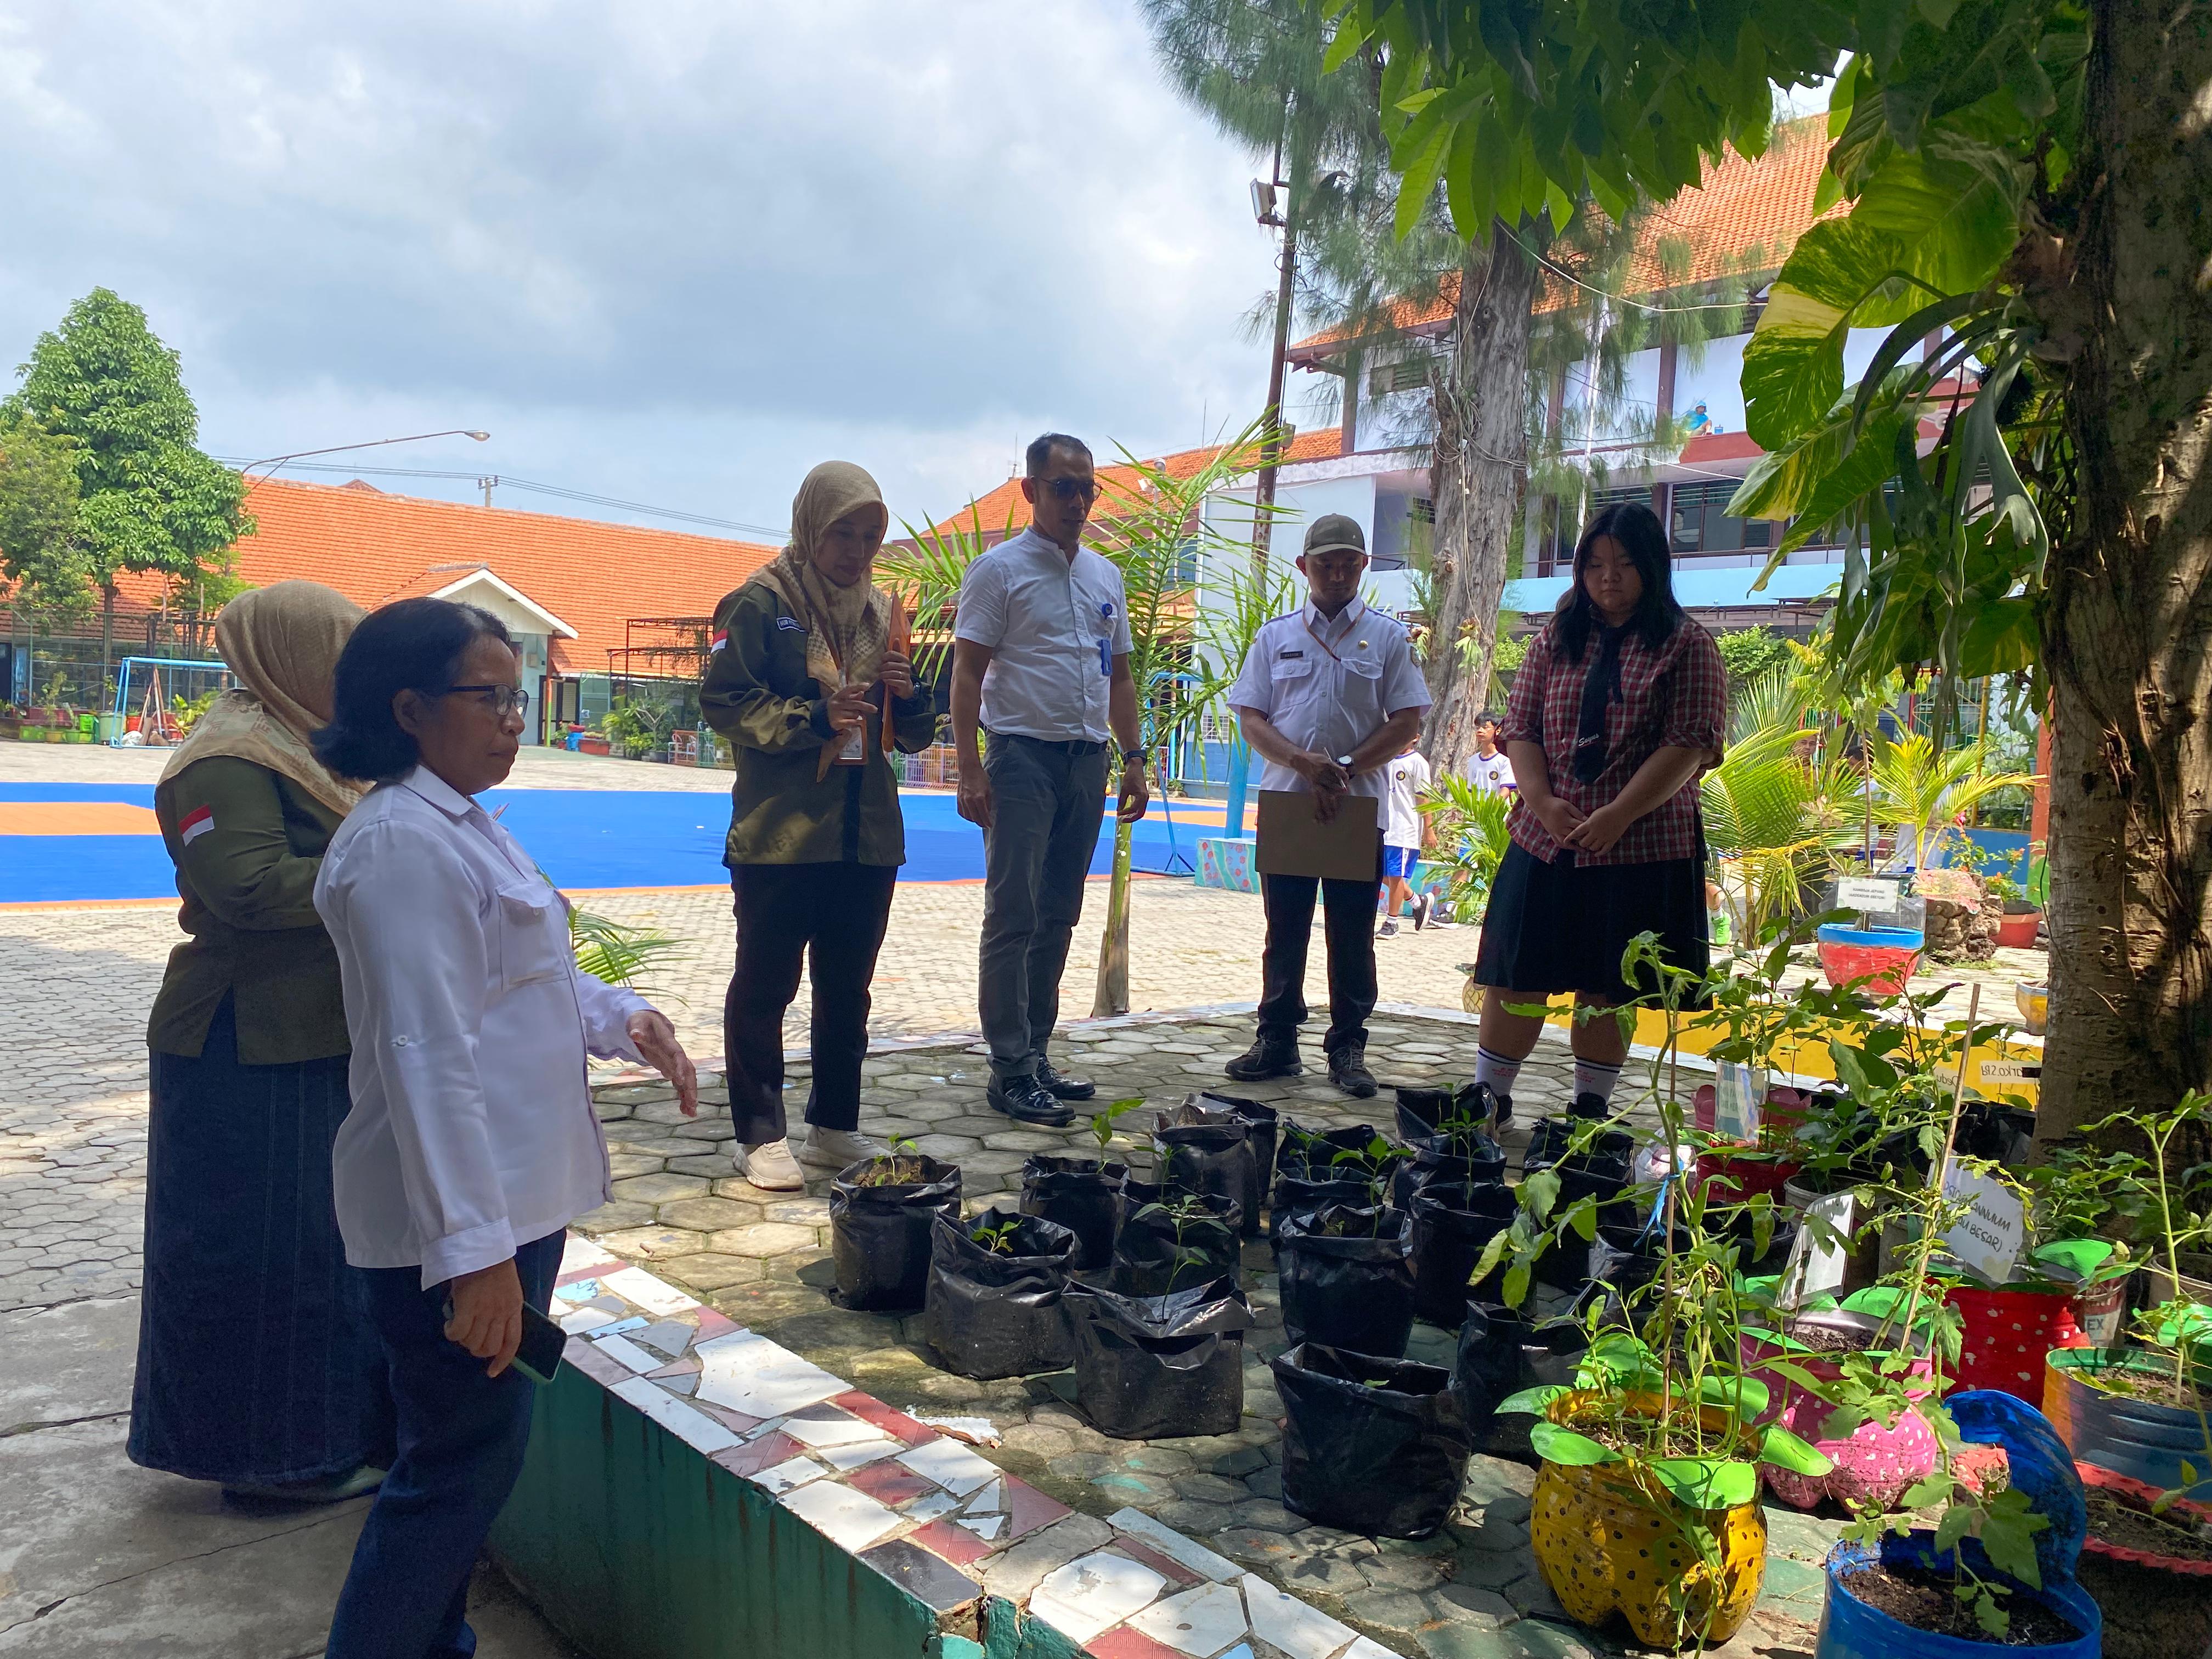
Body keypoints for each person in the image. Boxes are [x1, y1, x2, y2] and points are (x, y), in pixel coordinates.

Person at [309, 597, 697, 1659]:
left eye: (517, 697)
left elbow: (528, 976)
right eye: (490, 697)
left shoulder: (463, 825)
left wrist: (625, 1017)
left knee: (464, 1463)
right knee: (452, 1472)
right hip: (457, 1223)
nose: (514, 718)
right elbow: (426, 1055)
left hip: (511, 1201)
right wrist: (472, 1258)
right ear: (409, 707)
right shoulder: (401, 848)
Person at [129, 580, 392, 1504]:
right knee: (259, 1258)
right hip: (244, 1040)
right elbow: (247, 886)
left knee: (322, 1252)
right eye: (342, 661)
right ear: (290, 656)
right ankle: (272, 1463)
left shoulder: (315, 748)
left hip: (312, 1033)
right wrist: (390, 857)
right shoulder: (224, 760)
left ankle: (323, 1438)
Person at [699, 461, 935, 1190]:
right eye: (843, 534)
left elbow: (914, 736)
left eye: (870, 537)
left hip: (866, 837)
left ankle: (833, 1126)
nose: (856, 552)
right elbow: (724, 702)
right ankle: (759, 1133)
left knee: (848, 990)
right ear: (810, 526)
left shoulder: (883, 613)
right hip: (782, 834)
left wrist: (911, 691)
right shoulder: (760, 603)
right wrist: (813, 718)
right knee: (767, 986)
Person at [1469, 501, 1724, 1125]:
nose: (1609, 578)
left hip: (1640, 847)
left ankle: (1589, 1109)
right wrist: (1542, 800)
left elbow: (1689, 743)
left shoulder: (1688, 647)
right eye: (1596, 565)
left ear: (1653, 569)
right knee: (1516, 972)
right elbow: (1521, 727)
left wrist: (1618, 814)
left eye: (1626, 564)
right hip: (1546, 839)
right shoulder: (1555, 641)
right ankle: (1487, 1101)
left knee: (1608, 985)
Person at [951, 433, 1150, 1126]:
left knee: (1060, 912)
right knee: (1014, 915)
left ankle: (1037, 1054)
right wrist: (971, 766)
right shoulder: (998, 572)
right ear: (1031, 491)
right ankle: (1008, 1068)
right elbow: (968, 673)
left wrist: (1133, 757)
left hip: (1086, 763)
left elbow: (1119, 674)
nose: (1077, 500)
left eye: (1087, 488)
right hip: (1020, 761)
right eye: (1063, 487)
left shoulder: (1105, 576)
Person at [1223, 515, 1431, 1097]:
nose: (1337, 573)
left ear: (1364, 565)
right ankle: (1277, 1042)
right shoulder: (1275, 637)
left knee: (1352, 933)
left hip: (1357, 808)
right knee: (1283, 930)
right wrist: (1302, 762)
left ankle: (1348, 1047)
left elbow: (1407, 721)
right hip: (1289, 803)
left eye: (1348, 562)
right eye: (1325, 563)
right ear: (1304, 568)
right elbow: (1253, 720)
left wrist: (1344, 768)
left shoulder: (1390, 640)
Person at [1379, 739, 1433, 936]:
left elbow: (1424, 796)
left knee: (1395, 877)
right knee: (1380, 874)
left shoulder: (1417, 762)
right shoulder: (1387, 760)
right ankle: (1418, 902)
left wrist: (1429, 828)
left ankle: (1391, 923)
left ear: (1416, 737)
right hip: (1384, 828)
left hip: (1404, 829)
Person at [1463, 709, 1516, 795]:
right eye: (1477, 728)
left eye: (1485, 727)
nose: (1480, 731)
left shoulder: (1505, 760)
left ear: (1498, 730)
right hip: (1477, 809)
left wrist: (1492, 807)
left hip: (1496, 808)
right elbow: (1471, 791)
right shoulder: (1473, 760)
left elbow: (1506, 791)